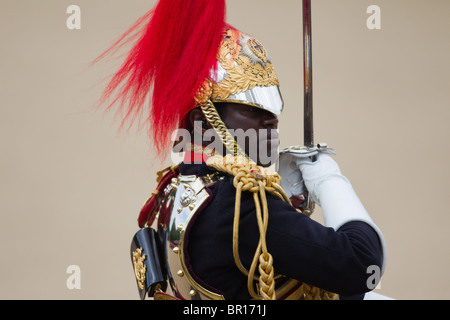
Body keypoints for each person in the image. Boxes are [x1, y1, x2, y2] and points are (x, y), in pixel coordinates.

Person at [97, 0, 386, 300]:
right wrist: (327, 179)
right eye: (250, 108)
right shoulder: (242, 205)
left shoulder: (175, 186)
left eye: (271, 107)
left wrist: (287, 206)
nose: (271, 120)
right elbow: (362, 264)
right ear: (202, 123)